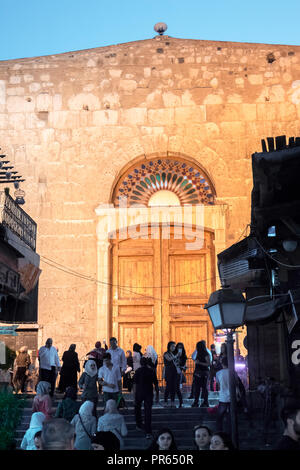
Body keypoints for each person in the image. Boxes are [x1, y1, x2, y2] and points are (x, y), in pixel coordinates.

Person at [134, 356, 159, 438]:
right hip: (149, 393)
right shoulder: (151, 371)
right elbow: (156, 384)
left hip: (139, 392)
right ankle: (148, 431)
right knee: (148, 412)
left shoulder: (137, 371)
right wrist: (157, 395)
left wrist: (134, 396)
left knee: (137, 409)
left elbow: (134, 384)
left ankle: (139, 424)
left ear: (140, 363)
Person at [191, 341, 210, 408]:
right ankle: (197, 402)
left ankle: (205, 402)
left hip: (203, 372)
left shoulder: (206, 354)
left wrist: (199, 363)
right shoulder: (198, 353)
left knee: (204, 388)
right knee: (198, 388)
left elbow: (208, 364)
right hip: (198, 372)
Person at [163, 341, 182, 409]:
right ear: (169, 347)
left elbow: (176, 362)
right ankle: (165, 401)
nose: (173, 347)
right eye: (172, 346)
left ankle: (172, 402)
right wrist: (177, 355)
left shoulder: (173, 354)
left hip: (175, 373)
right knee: (168, 387)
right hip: (169, 372)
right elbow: (169, 359)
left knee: (174, 387)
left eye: (174, 346)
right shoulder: (166, 353)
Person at [215, 356, 230, 431]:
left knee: (219, 417)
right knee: (231, 416)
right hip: (232, 397)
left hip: (223, 397)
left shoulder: (218, 373)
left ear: (222, 363)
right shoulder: (233, 372)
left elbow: (218, 384)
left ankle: (220, 431)